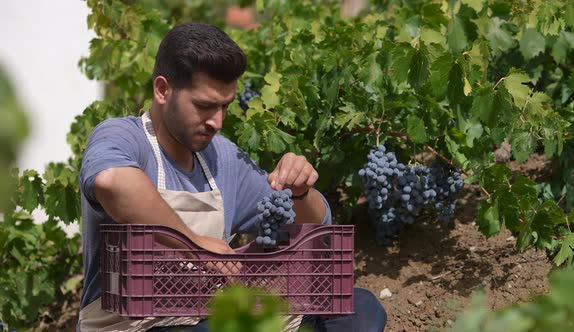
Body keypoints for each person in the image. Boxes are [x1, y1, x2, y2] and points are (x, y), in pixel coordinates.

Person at [76, 22, 387, 332]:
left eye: (225, 106)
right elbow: (112, 181)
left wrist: (301, 193)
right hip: (132, 325)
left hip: (206, 317)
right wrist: (196, 247)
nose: (217, 121)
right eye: (204, 105)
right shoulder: (124, 137)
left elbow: (317, 231)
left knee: (358, 307)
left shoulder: (221, 158)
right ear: (162, 90)